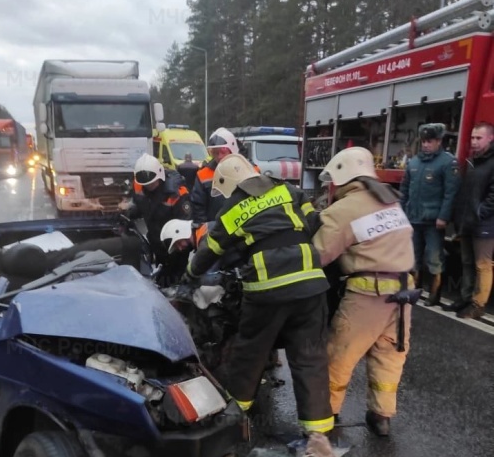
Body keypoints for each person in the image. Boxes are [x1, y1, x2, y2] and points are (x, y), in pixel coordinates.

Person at [183, 153, 334, 438]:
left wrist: (190, 275)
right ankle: (318, 435)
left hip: (268, 290)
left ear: (230, 184)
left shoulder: (232, 209)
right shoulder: (289, 189)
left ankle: (236, 418)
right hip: (312, 284)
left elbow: (209, 252)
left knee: (249, 353)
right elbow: (314, 221)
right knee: (309, 358)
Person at [313, 147, 416, 437]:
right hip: (403, 294)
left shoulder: (344, 209)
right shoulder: (390, 201)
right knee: (389, 357)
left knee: (338, 357)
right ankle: (381, 417)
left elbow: (319, 254)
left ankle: (326, 417)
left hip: (367, 295)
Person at [400, 123, 460, 306]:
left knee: (434, 258)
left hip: (434, 221)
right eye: (424, 141)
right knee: (414, 257)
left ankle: (434, 295)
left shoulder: (448, 162)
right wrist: (401, 212)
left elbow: (451, 193)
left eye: (430, 141)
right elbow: (404, 189)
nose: (426, 145)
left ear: (439, 141)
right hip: (414, 218)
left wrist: (444, 216)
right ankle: (414, 289)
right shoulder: (414, 162)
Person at [450, 121, 494, 319]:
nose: (474, 142)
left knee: (482, 265)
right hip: (467, 221)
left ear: (491, 138)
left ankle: (478, 305)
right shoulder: (472, 161)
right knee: (466, 261)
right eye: (472, 138)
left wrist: (479, 212)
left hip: (484, 224)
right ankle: (465, 298)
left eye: (479, 138)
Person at [121, 154, 192, 268]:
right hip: (155, 243)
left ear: (160, 176)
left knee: (175, 278)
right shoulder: (139, 185)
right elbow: (142, 205)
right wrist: (129, 213)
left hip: (175, 248)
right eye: (145, 184)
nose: (148, 186)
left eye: (151, 183)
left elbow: (185, 226)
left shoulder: (177, 193)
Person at [191, 128, 240, 224]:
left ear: (232, 150)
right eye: (216, 153)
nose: (219, 156)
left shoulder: (249, 169)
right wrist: (205, 229)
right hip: (215, 228)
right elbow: (198, 207)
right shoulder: (203, 174)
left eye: (223, 152)